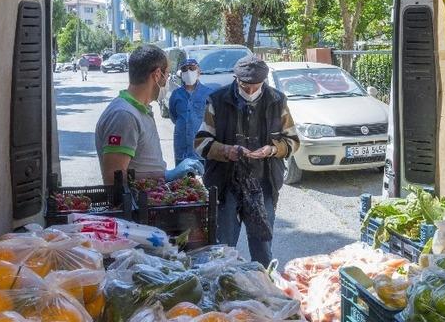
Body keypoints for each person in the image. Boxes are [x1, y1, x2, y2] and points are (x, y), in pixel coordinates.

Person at [194, 55, 299, 265]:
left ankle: (263, 289)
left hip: (263, 184)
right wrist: (227, 151)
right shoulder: (217, 100)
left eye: (256, 86)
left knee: (262, 247)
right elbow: (200, 143)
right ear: (236, 79)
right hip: (226, 184)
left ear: (264, 82)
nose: (250, 91)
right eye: (245, 86)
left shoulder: (278, 101)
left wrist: (272, 149)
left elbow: (293, 142)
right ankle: (224, 286)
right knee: (224, 248)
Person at [95, 45, 204, 184]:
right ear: (157, 74)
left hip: (152, 198)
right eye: (167, 74)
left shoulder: (140, 110)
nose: (167, 81)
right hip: (137, 204)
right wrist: (166, 175)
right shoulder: (124, 116)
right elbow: (113, 179)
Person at [169, 58, 214, 164]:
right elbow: (174, 116)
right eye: (184, 69)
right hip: (182, 147)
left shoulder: (209, 94)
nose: (188, 72)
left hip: (202, 148)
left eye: (192, 68)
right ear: (181, 74)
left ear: (199, 72)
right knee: (182, 180)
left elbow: (213, 120)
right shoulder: (176, 94)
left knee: (206, 178)